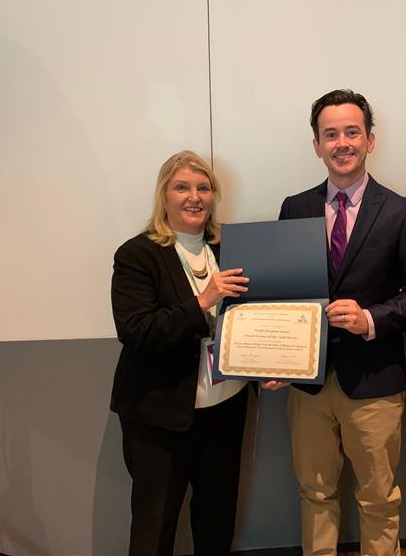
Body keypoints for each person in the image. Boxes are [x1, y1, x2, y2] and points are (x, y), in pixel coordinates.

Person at [264, 89, 406, 555]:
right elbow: (282, 295)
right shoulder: (294, 208)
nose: (342, 143)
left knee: (379, 498)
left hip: (375, 383)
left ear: (370, 141)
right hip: (309, 385)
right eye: (330, 134)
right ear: (316, 145)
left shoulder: (401, 211)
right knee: (315, 494)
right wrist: (275, 356)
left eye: (352, 132)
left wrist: (370, 319)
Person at [110, 151, 250, 556]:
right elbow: (136, 331)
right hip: (160, 416)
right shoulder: (138, 254)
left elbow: (254, 323)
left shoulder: (231, 248)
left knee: (217, 522)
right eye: (182, 187)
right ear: (164, 197)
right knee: (154, 529)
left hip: (225, 410)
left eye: (204, 188)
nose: (195, 197)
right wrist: (202, 301)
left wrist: (268, 367)